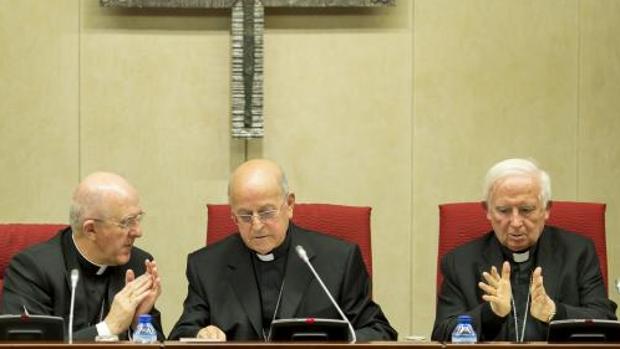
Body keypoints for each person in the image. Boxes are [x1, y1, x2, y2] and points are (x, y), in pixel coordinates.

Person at [168, 159, 397, 341]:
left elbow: (379, 331)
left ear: (289, 205)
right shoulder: (206, 266)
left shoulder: (339, 260)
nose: (257, 225)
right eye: (245, 215)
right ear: (233, 216)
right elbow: (182, 332)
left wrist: (337, 340)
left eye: (267, 213)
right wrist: (199, 335)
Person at [432, 158, 617, 342]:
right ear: (487, 210)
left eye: (526, 210)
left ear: (546, 209)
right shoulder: (459, 262)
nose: (516, 223)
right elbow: (442, 332)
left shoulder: (578, 253)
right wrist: (490, 313)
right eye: (503, 210)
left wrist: (555, 312)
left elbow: (605, 321)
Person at [2, 172, 164, 341]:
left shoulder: (137, 264)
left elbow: (161, 343)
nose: (138, 232)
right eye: (127, 222)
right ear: (91, 230)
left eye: (138, 219)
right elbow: (25, 345)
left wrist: (138, 325)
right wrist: (108, 327)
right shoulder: (32, 269)